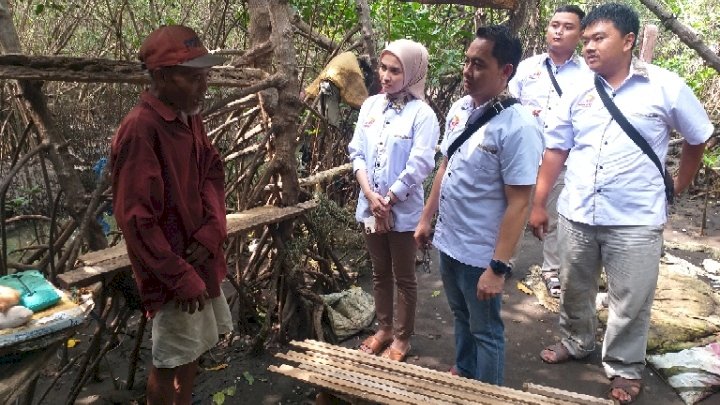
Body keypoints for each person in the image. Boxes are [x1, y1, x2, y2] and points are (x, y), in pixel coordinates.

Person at [528, 4, 713, 403]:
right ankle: (576, 341)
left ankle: (625, 366)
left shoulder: (665, 87)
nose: (588, 46)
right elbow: (557, 148)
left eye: (599, 38)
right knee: (574, 287)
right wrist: (540, 202)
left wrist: (677, 184)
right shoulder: (577, 88)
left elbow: (698, 137)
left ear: (628, 41)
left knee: (630, 298)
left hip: (635, 219)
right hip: (577, 211)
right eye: (587, 39)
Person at [110, 25, 233, 405]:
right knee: (168, 360)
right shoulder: (141, 130)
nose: (204, 85)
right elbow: (136, 220)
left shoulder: (187, 116)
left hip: (197, 257)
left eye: (205, 76)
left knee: (191, 350)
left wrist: (212, 230)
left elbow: (212, 169)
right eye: (192, 77)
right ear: (161, 78)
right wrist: (179, 276)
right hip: (170, 269)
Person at [415, 25, 543, 384]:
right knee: (460, 314)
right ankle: (465, 371)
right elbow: (446, 165)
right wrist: (427, 217)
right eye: (467, 61)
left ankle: (488, 394)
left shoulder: (519, 126)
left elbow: (520, 203)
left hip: (481, 253)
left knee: (486, 331)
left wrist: (498, 268)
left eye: (479, 64)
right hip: (450, 241)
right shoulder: (459, 109)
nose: (467, 71)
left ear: (506, 71)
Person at [348, 39, 440, 362]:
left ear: (412, 73)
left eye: (395, 70)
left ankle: (402, 337)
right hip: (370, 205)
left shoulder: (423, 115)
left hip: (401, 210)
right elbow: (356, 152)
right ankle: (384, 328)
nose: (385, 76)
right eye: (383, 68)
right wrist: (371, 197)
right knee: (378, 273)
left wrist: (388, 199)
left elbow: (420, 164)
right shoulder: (370, 106)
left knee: (404, 276)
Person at [508, 5, 588, 298]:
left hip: (565, 157)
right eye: (555, 25)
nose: (559, 31)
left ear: (580, 34)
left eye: (568, 27)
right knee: (513, 208)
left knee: (555, 213)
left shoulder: (588, 74)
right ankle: (505, 260)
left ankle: (552, 269)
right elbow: (509, 102)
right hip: (524, 154)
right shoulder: (527, 68)